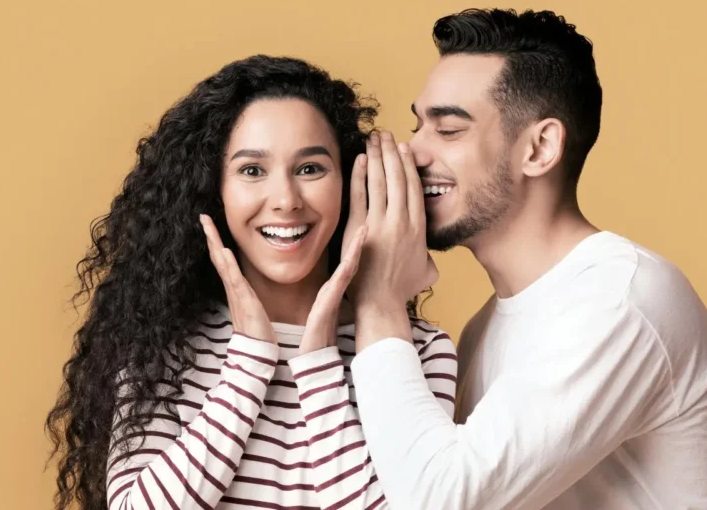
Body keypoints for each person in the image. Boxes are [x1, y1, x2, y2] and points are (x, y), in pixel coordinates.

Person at [345, 9, 707, 509]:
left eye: (448, 130)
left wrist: (378, 300)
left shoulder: (619, 301)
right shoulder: (486, 328)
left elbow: (438, 500)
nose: (413, 152)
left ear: (540, 147)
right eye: (418, 125)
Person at [45, 55, 457, 510]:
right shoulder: (164, 345)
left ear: (351, 182)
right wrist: (249, 364)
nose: (285, 200)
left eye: (310, 169)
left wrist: (319, 361)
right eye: (252, 171)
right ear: (214, 189)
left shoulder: (415, 352)